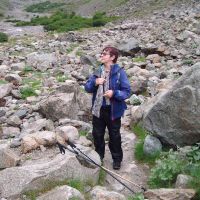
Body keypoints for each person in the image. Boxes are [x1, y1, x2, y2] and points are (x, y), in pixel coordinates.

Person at [84, 46, 131, 170]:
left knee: (114, 135)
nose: (102, 55)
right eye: (102, 53)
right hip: (98, 109)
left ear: (112, 57)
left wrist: (114, 93)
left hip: (113, 110)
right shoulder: (97, 71)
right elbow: (87, 88)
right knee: (97, 134)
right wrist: (95, 82)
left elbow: (127, 91)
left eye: (105, 54)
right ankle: (99, 157)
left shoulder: (119, 72)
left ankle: (117, 159)